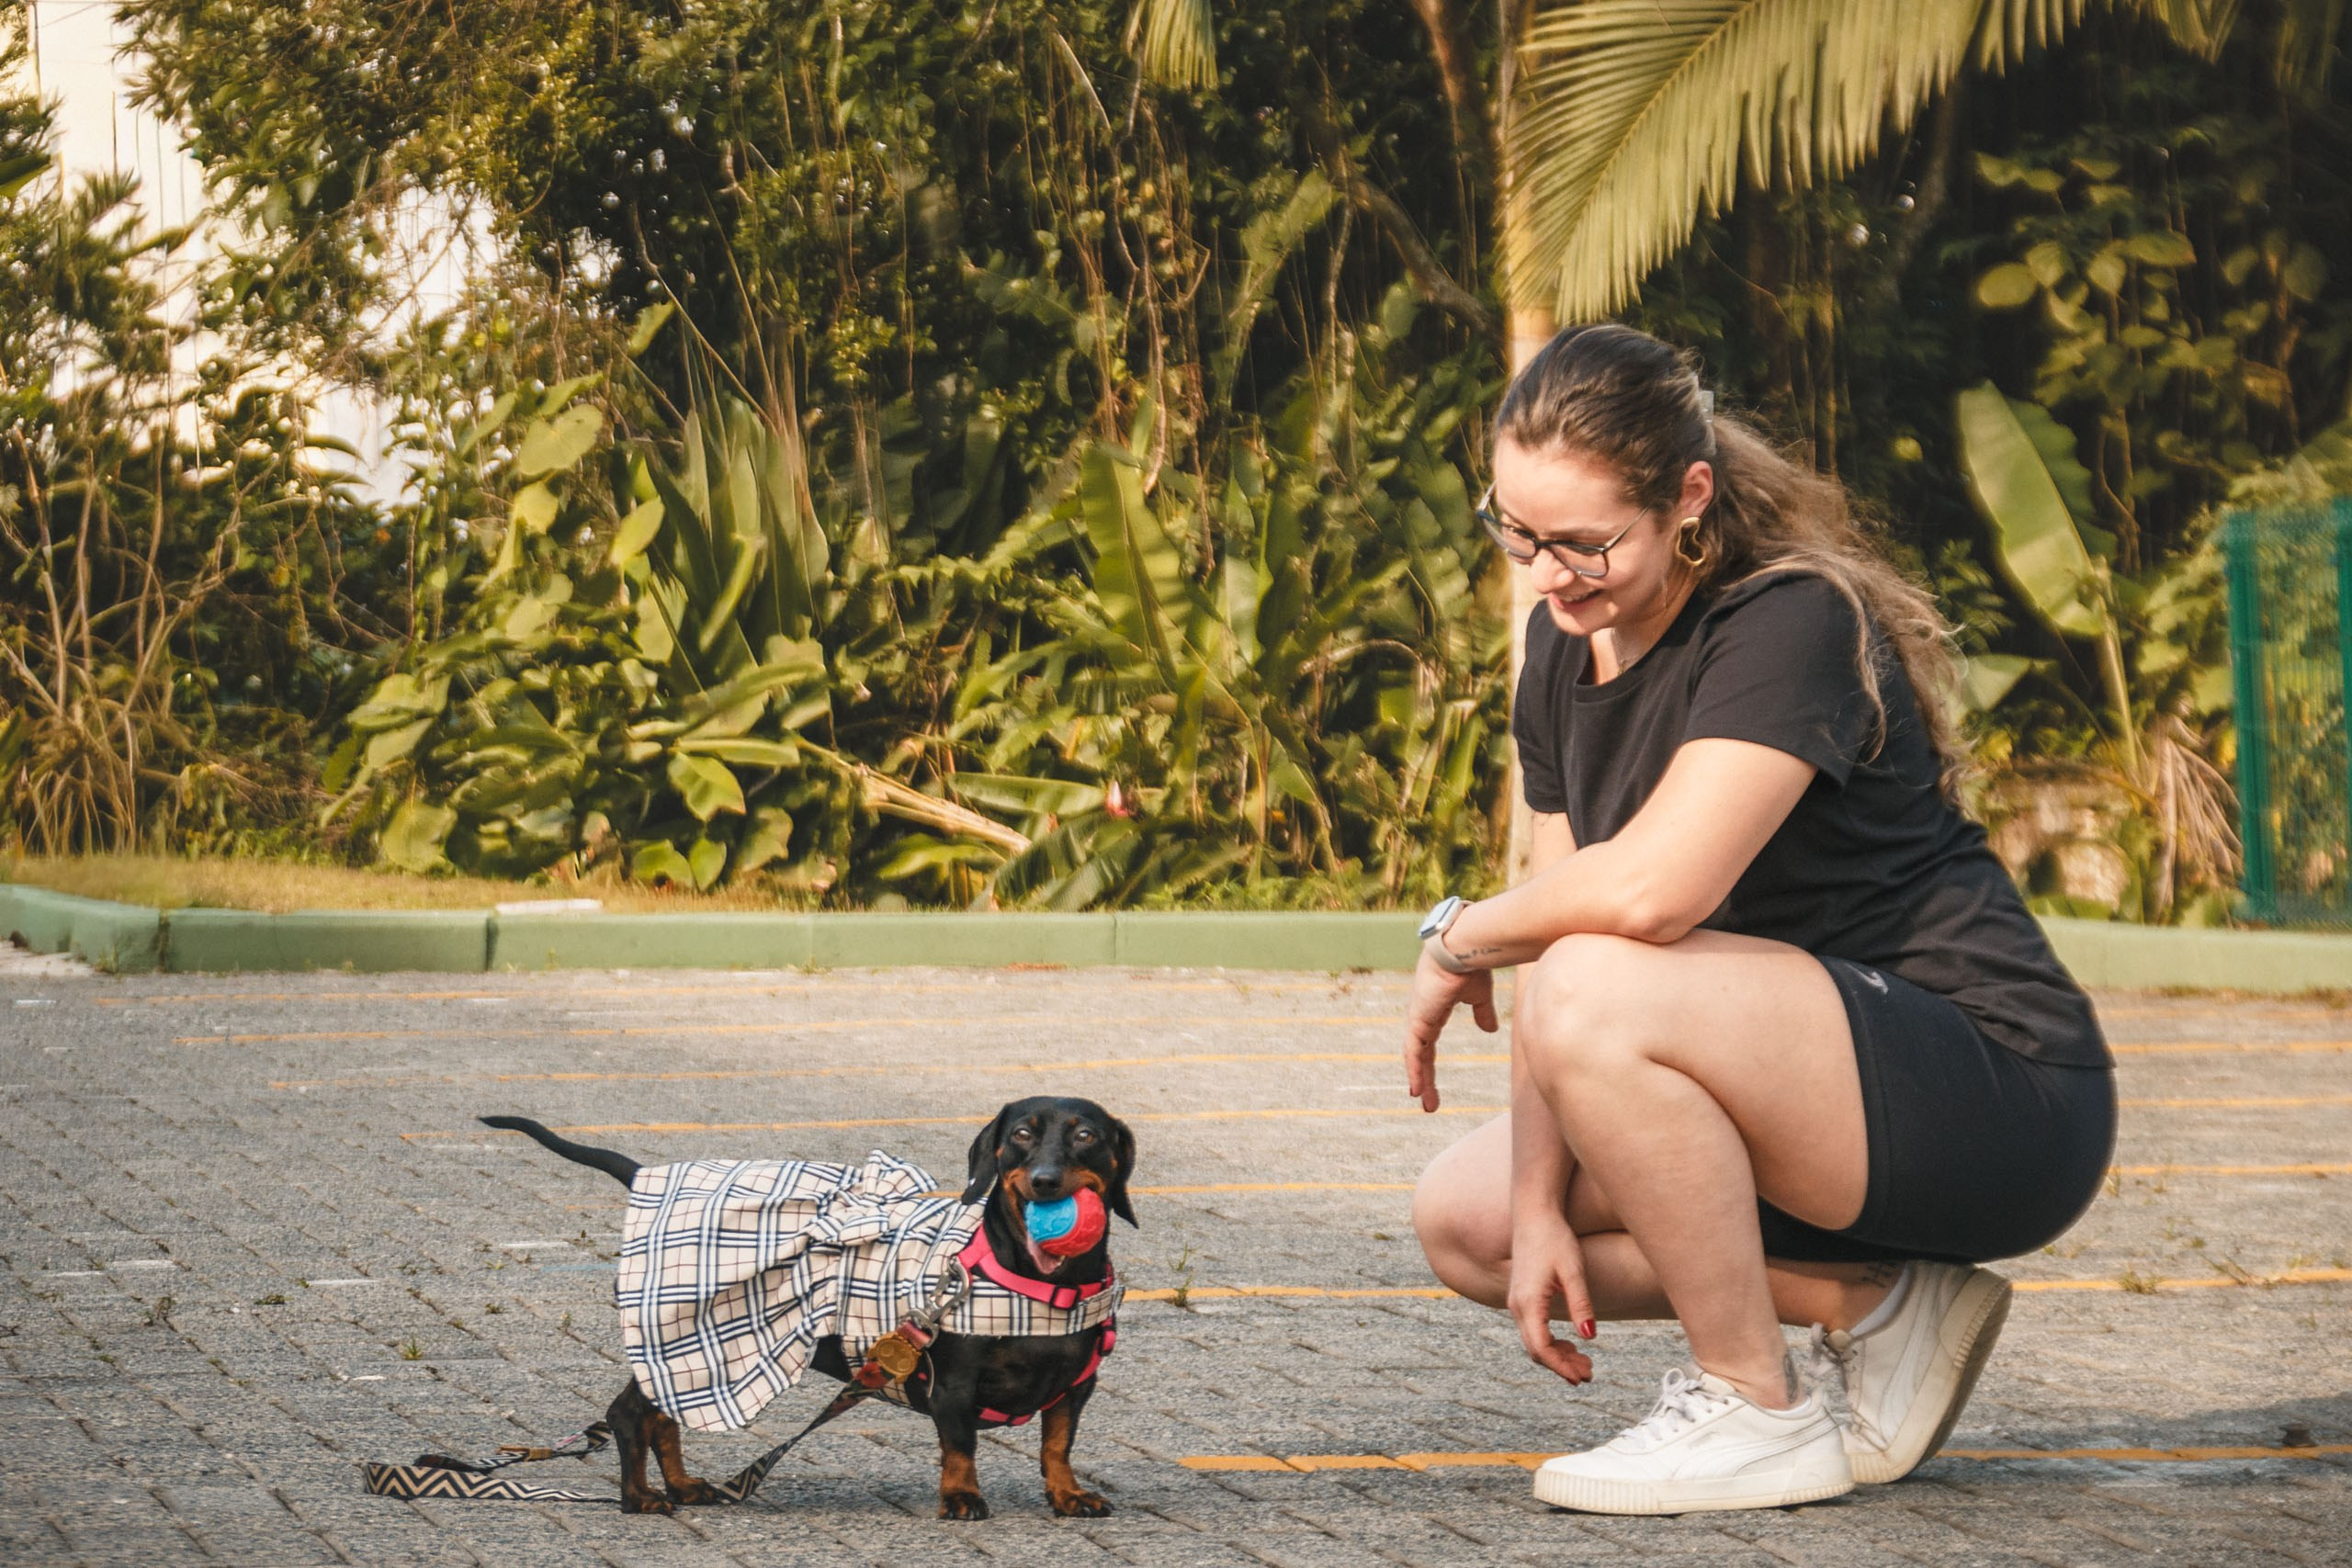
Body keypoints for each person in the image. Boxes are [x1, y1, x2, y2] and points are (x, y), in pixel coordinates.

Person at [1403, 324, 2116, 1517]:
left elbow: (1647, 896)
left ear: (1688, 497)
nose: (1545, 573)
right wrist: (1537, 1209)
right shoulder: (1555, 649)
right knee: (1469, 1225)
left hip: (1991, 1089)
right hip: (1806, 1098)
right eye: (1516, 532)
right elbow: (1557, 923)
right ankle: (1878, 1307)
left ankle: (1756, 1406)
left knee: (1593, 976)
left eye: (1584, 543)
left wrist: (1455, 933)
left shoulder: (1785, 623)